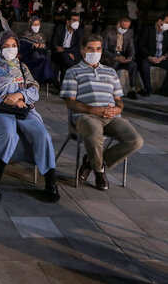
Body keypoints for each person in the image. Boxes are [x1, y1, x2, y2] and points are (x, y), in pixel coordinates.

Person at [0, 31, 59, 202]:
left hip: (23, 109)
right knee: (8, 133)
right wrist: (12, 100)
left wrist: (20, 95)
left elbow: (34, 89)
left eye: (13, 46)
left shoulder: (22, 66)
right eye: (6, 46)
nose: (10, 49)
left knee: (42, 134)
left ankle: (51, 182)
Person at [60, 34, 143, 191]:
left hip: (111, 116)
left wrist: (118, 108)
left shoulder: (110, 72)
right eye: (90, 48)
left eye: (98, 48)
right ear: (83, 50)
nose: (95, 52)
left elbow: (118, 99)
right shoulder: (73, 72)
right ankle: (99, 171)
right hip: (86, 116)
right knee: (94, 135)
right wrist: (91, 109)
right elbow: (69, 102)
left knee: (135, 140)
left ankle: (93, 162)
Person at [101, 17, 138, 99]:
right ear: (118, 24)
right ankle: (108, 90)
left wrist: (130, 57)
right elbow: (104, 49)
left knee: (133, 65)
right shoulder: (108, 31)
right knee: (115, 63)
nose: (125, 29)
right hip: (111, 56)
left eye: (127, 28)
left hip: (123, 56)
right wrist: (116, 57)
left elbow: (131, 47)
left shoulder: (130, 32)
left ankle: (132, 90)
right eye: (123, 27)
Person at [136, 14, 168, 96]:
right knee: (144, 64)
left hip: (161, 58)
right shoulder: (147, 29)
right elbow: (140, 45)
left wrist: (163, 57)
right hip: (148, 57)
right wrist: (149, 57)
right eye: (166, 22)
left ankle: (164, 90)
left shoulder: (167, 32)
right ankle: (148, 88)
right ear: (159, 21)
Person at [19, 16, 54, 84]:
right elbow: (22, 52)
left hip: (41, 58)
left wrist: (43, 46)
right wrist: (32, 46)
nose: (36, 26)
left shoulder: (41, 36)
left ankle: (46, 80)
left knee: (47, 61)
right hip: (30, 59)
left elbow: (46, 49)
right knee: (45, 62)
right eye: (35, 25)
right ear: (30, 25)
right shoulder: (26, 35)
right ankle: (49, 80)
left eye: (38, 25)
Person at [51, 12, 83, 85]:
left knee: (65, 65)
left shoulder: (79, 30)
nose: (76, 22)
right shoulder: (59, 28)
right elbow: (54, 44)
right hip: (59, 54)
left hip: (72, 54)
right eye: (74, 20)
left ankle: (62, 87)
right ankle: (76, 73)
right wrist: (66, 52)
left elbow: (77, 47)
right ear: (68, 21)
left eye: (77, 20)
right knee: (64, 56)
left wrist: (66, 51)